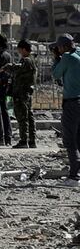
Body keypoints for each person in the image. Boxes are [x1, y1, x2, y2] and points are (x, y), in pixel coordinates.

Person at [51, 34, 80, 187]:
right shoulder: (78, 54)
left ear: (63, 47)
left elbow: (55, 73)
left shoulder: (67, 58)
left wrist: (56, 58)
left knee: (70, 140)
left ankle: (74, 177)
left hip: (72, 102)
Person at [9, 40, 37, 149]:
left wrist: (7, 67)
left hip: (22, 92)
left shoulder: (27, 60)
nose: (18, 51)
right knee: (28, 116)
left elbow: (17, 68)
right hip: (26, 92)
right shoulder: (31, 59)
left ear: (24, 49)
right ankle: (31, 140)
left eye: (19, 49)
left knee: (22, 116)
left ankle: (24, 140)